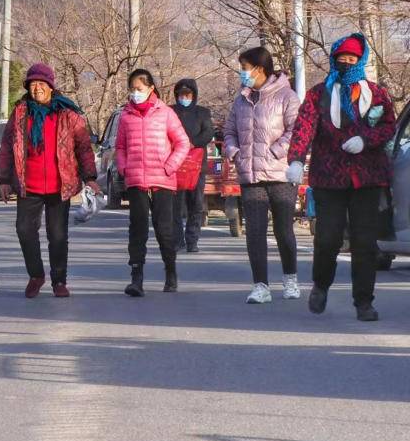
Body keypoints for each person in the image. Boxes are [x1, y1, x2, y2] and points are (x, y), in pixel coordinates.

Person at [287, 33, 396, 321]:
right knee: (328, 238)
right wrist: (296, 160)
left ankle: (364, 302)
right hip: (329, 178)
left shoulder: (378, 93)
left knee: (365, 242)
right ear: (334, 62)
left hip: (367, 178)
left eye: (352, 60)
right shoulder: (318, 94)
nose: (346, 64)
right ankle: (320, 285)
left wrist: (366, 139)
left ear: (360, 62)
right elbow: (303, 128)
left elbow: (388, 127)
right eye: (341, 60)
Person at [0, 63, 99, 298]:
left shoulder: (68, 114)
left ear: (51, 87)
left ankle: (59, 281)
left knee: (58, 235)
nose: (37, 89)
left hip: (58, 185)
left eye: (42, 84)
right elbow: (6, 147)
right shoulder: (21, 112)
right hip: (28, 185)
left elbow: (83, 148)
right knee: (24, 230)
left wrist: (90, 177)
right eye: (33, 84)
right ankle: (36, 275)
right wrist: (3, 179)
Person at [223, 47, 301, 305]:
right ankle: (260, 286)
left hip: (280, 174)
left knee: (283, 230)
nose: (241, 72)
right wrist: (234, 152)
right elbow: (229, 131)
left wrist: (276, 151)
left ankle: (290, 279)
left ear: (259, 68)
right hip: (251, 174)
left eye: (244, 67)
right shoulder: (241, 99)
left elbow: (296, 131)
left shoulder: (287, 96)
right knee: (254, 231)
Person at [116, 69, 191, 297]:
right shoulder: (126, 115)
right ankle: (136, 278)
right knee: (137, 230)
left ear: (151, 88)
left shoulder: (165, 113)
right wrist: (124, 167)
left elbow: (183, 143)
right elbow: (120, 147)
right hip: (136, 181)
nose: (135, 93)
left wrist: (169, 167)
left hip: (162, 182)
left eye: (139, 89)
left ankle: (170, 273)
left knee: (164, 230)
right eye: (132, 89)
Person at [171, 79, 215, 253]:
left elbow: (209, 132)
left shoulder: (202, 113)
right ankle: (177, 240)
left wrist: (192, 143)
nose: (185, 98)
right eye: (181, 95)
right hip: (174, 165)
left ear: (194, 95)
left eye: (188, 95)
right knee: (175, 205)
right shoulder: (170, 111)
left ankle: (192, 240)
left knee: (196, 204)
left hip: (196, 167)